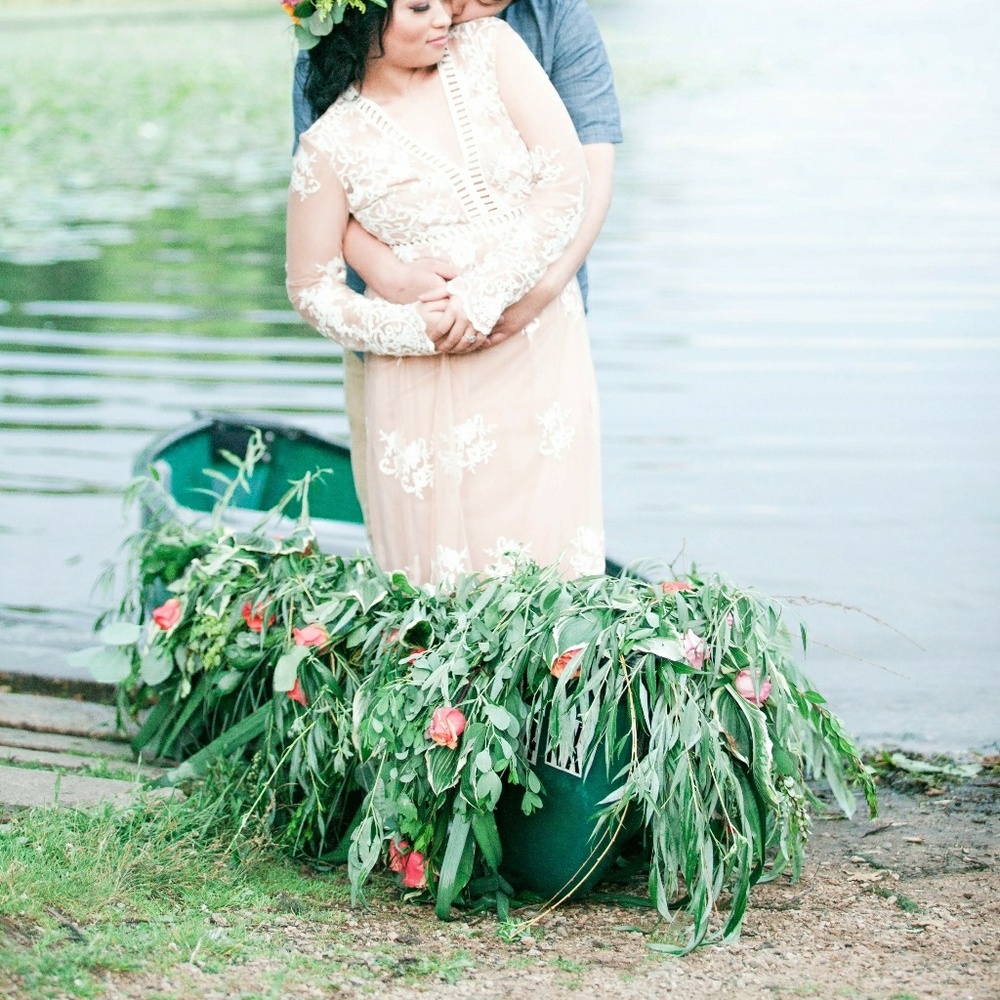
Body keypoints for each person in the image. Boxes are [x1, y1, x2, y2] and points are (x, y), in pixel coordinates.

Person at [285, 0, 605, 586]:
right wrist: (416, 329)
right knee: (443, 587)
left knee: (552, 573)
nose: (443, 18)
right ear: (358, 19)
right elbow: (310, 285)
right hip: (418, 375)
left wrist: (481, 298)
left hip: (538, 348)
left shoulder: (492, 46)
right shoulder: (328, 143)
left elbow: (567, 181)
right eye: (418, 7)